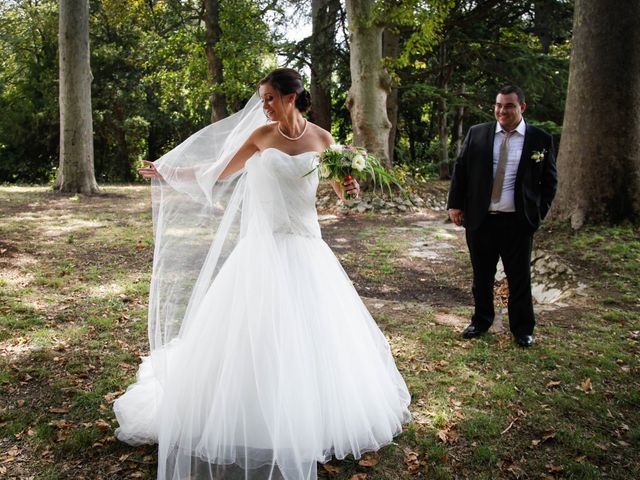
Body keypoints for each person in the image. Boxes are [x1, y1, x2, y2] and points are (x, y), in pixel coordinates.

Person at [114, 68, 411, 480]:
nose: (263, 105)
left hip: (307, 247)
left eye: (270, 98)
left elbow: (342, 190)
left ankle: (310, 417)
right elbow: (217, 170)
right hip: (262, 249)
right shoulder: (260, 137)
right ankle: (249, 417)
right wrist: (168, 172)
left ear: (291, 97)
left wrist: (351, 186)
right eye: (263, 98)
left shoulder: (324, 139)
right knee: (256, 332)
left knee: (312, 335)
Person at [447, 85, 557, 348]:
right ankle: (481, 320)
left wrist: (537, 214)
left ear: (522, 107)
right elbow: (460, 171)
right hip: (480, 220)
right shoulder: (478, 133)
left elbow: (549, 183)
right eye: (498, 105)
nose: (501, 110)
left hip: (517, 222)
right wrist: (455, 204)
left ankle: (522, 329)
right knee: (481, 276)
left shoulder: (539, 140)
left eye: (508, 106)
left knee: (518, 277)